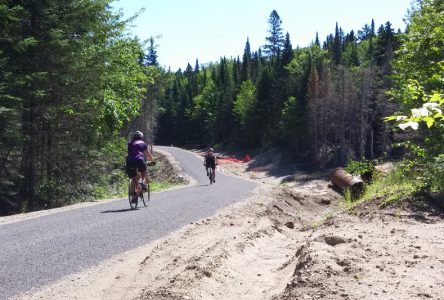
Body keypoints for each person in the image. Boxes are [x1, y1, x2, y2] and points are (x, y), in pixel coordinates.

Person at [125, 131, 155, 203]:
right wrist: (153, 162)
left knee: (133, 177)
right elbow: (148, 155)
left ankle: (134, 197)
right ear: (141, 137)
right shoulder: (142, 143)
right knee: (143, 172)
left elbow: (130, 153)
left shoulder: (130, 143)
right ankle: (142, 182)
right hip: (139, 160)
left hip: (129, 162)